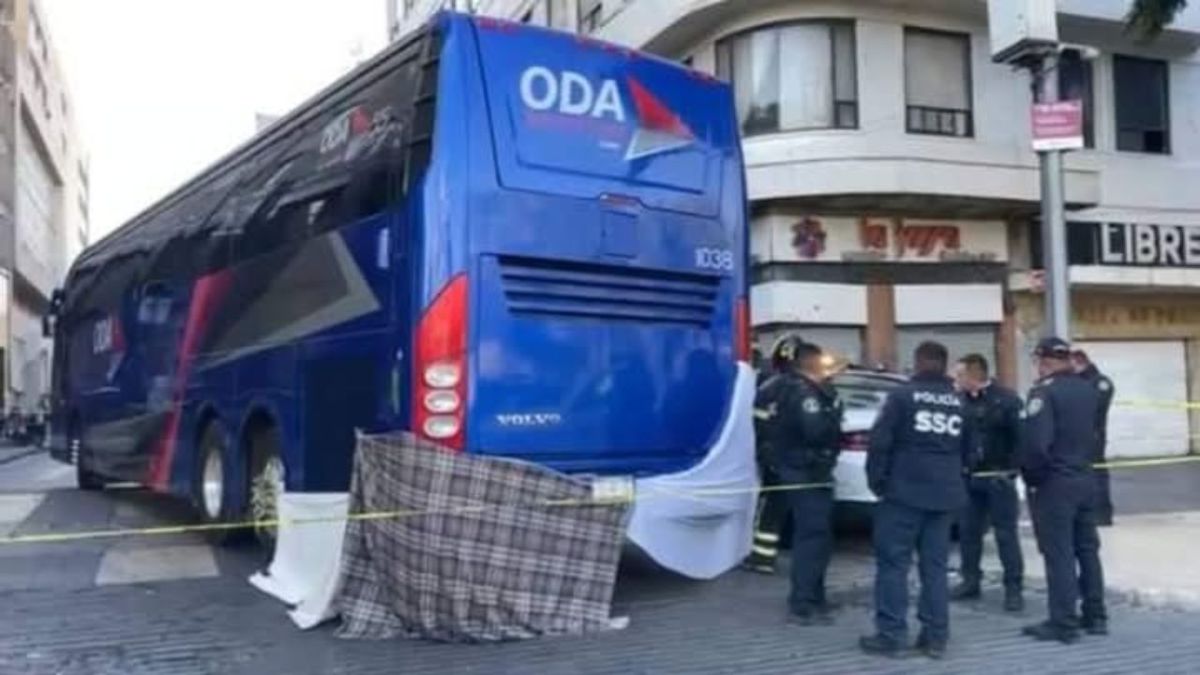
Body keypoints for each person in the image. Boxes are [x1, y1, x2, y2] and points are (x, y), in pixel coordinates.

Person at [860, 341, 973, 660]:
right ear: (944, 364)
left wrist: (878, 484)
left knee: (894, 565)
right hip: (945, 495)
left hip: (903, 493)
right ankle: (936, 637)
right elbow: (970, 451)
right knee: (935, 568)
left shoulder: (901, 396)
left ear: (918, 362)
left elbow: (880, 443)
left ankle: (892, 635)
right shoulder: (958, 402)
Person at [1021, 337, 1107, 643]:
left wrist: (1033, 478)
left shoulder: (1044, 392)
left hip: (1055, 483)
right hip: (1085, 478)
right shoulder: (1088, 390)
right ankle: (1095, 615)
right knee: (1087, 550)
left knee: (1059, 553)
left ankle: (1063, 621)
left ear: (1043, 361)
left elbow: (1036, 446)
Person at [760, 340, 844, 624]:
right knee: (812, 538)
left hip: (810, 473)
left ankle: (815, 596)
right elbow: (817, 431)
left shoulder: (793, 387)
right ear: (813, 364)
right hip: (804, 473)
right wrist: (832, 406)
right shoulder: (803, 392)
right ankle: (803, 603)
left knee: (820, 537)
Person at [950, 354, 1025, 612]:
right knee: (969, 533)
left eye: (959, 375)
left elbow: (1022, 439)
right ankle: (970, 580)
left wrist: (1012, 471)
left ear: (974, 375)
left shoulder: (1006, 400)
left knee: (1006, 535)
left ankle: (1013, 589)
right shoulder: (958, 401)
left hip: (998, 477)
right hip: (969, 478)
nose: (955, 380)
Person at [744, 336, 802, 574]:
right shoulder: (812, 386)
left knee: (770, 508)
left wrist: (763, 453)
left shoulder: (768, 386)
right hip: (803, 463)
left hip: (776, 460)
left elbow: (757, 425)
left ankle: (762, 558)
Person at [1071, 349, 1115, 526]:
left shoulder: (1100, 382)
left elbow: (1096, 406)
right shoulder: (1078, 382)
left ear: (1081, 363)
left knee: (1097, 475)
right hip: (1078, 436)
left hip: (1094, 436)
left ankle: (1102, 514)